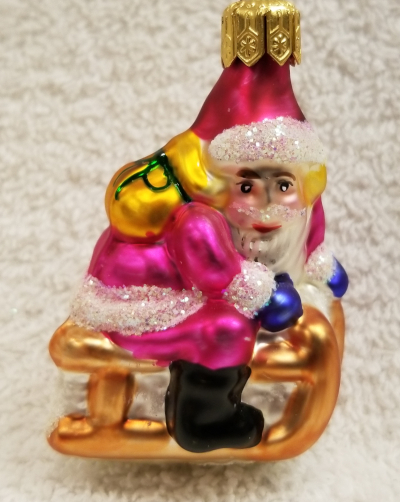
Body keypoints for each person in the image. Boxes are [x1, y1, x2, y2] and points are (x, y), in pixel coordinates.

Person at [69, 54, 348, 453]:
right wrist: (264, 296)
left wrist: (318, 264)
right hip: (150, 297)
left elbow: (311, 235)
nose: (267, 204)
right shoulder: (199, 220)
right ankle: (202, 420)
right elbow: (219, 275)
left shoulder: (303, 211)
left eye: (284, 186)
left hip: (238, 285)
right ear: (219, 186)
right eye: (248, 188)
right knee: (227, 328)